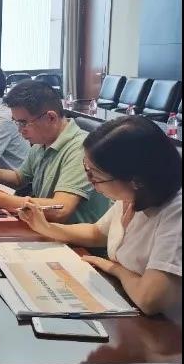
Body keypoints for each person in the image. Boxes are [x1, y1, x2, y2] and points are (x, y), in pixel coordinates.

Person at [19, 116, 181, 316]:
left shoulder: (176, 212)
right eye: (87, 169)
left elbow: (149, 300)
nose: (89, 181)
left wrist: (116, 269)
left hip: (164, 327)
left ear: (136, 180)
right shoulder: (132, 195)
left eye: (95, 175)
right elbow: (98, 232)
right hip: (124, 302)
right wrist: (47, 228)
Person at [0, 80, 110, 223]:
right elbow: (19, 178)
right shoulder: (42, 141)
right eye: (16, 123)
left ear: (51, 118)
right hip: (45, 228)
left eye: (23, 123)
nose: (20, 130)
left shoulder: (80, 148)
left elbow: (60, 209)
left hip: (73, 240)